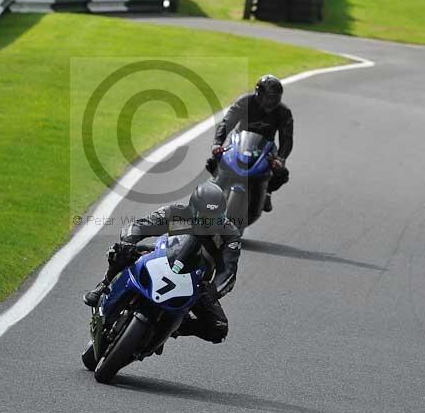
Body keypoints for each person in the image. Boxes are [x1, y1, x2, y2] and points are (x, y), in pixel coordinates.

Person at [83, 182, 242, 344]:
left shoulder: (230, 235)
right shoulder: (177, 213)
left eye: (216, 219)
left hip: (196, 283)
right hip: (161, 257)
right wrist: (129, 241)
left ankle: (175, 326)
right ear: (193, 209)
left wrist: (213, 292)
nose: (210, 223)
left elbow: (228, 271)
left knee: (218, 328)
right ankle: (104, 285)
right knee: (121, 251)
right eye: (205, 218)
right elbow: (140, 225)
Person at [208, 75, 293, 213]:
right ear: (259, 93)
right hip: (238, 141)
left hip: (267, 146)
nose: (271, 101)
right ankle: (216, 184)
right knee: (213, 160)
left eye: (274, 97)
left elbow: (287, 137)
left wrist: (281, 158)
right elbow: (227, 122)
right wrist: (217, 143)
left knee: (281, 173)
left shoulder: (284, 112)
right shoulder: (244, 102)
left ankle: (267, 192)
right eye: (268, 97)